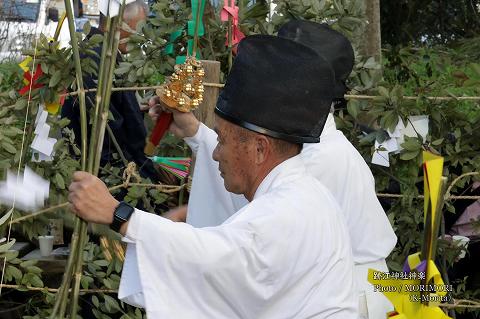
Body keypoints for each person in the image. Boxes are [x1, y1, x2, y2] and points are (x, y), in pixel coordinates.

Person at [68, 35, 358, 318]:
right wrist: (195, 133)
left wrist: (119, 215)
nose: (216, 154)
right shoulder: (297, 186)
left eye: (221, 140)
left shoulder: (284, 211)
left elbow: (212, 258)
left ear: (259, 148)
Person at [151, 20, 397, 318]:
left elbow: (253, 224)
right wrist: (194, 131)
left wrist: (145, 230)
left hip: (349, 295)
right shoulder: (304, 144)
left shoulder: (318, 157)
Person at [61, 0, 160, 182]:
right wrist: (142, 170)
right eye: (137, 28)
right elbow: (111, 128)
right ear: (120, 22)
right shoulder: (97, 57)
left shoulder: (99, 51)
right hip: (109, 170)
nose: (139, 36)